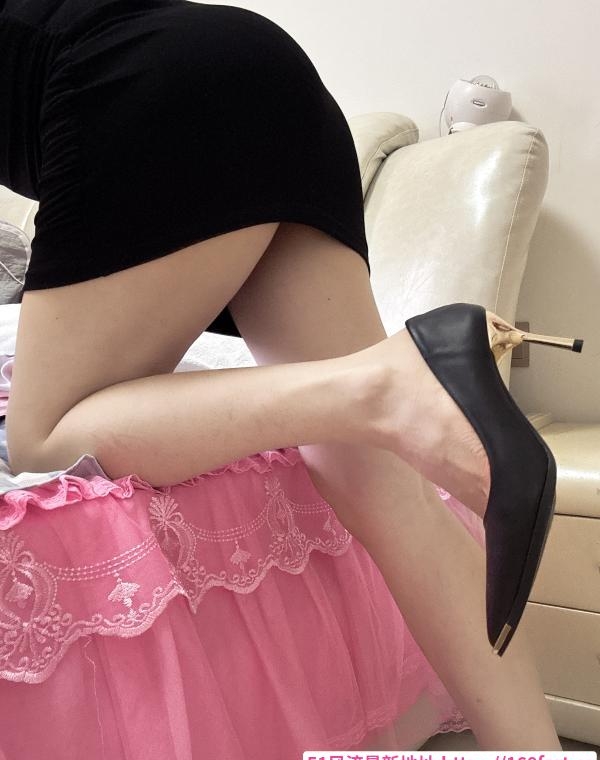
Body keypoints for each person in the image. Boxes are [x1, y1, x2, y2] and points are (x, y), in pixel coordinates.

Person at [1, 0, 575, 749]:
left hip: (138, 83)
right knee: (382, 486)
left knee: (44, 439)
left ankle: (381, 383)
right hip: (261, 66)